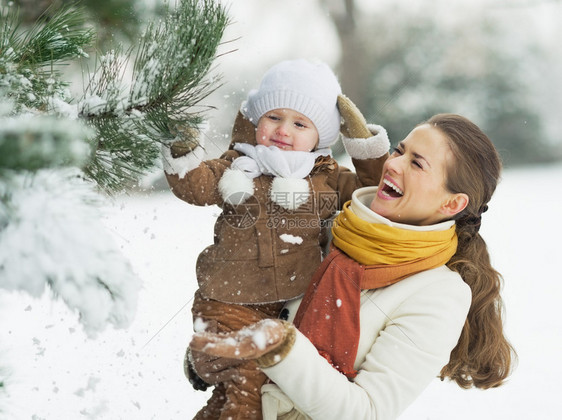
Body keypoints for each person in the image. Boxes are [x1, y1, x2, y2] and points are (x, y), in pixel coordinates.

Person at [190, 113, 516, 420]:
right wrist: (223, 352)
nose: (393, 164)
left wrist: (279, 347)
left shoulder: (439, 294)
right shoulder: (331, 229)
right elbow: (266, 303)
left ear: (452, 203)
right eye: (399, 151)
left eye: (416, 163)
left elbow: (366, 411)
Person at [162, 59, 390, 419]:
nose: (283, 130)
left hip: (289, 312)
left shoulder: (327, 178)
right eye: (273, 117)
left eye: (300, 123)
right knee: (250, 385)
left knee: (238, 397)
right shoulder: (238, 167)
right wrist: (181, 148)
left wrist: (363, 146)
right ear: (256, 120)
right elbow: (196, 185)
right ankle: (207, 356)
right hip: (226, 304)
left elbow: (375, 195)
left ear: (321, 136)